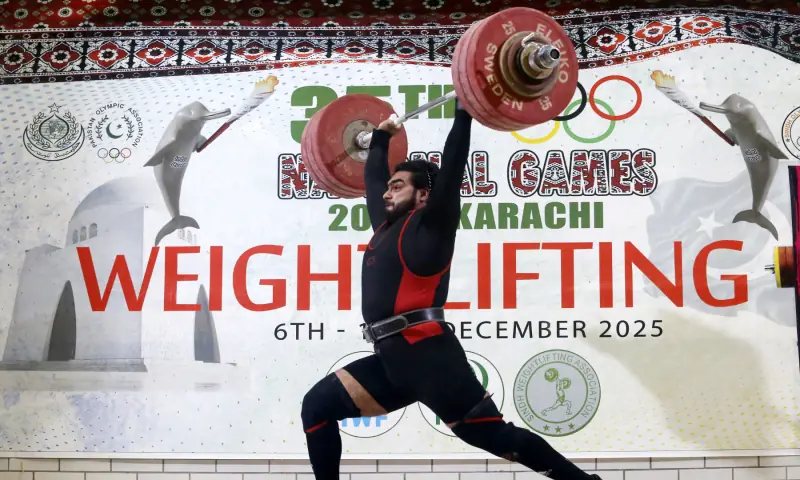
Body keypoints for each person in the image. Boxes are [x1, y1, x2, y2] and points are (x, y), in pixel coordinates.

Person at [300, 98, 601, 480]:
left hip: (431, 359)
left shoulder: (433, 229)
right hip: (393, 361)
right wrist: (380, 138)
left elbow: (454, 164)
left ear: (424, 195)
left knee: (497, 438)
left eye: (397, 186)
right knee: (316, 407)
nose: (386, 193)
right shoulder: (385, 228)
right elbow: (373, 181)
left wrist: (464, 110)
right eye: (389, 187)